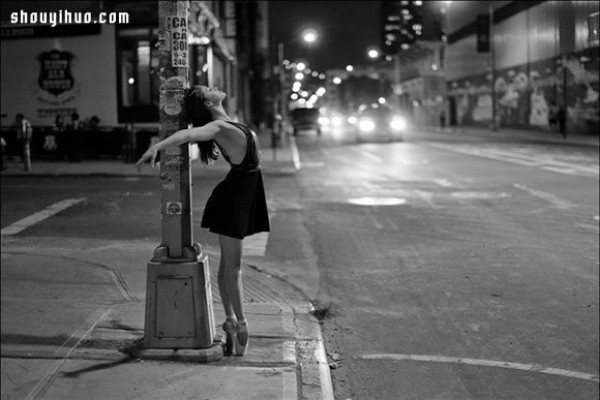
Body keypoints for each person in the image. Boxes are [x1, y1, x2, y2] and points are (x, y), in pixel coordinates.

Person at [136, 86, 270, 356]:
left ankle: (230, 322)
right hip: (235, 200)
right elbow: (188, 134)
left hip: (239, 195)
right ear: (209, 102)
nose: (214, 87)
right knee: (233, 269)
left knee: (227, 268)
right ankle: (241, 326)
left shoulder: (227, 121)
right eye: (208, 89)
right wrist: (158, 147)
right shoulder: (218, 127)